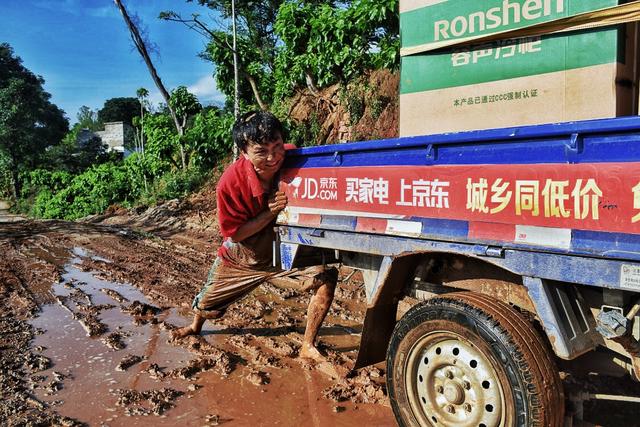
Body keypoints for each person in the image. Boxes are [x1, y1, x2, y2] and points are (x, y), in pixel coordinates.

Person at [173, 111, 337, 362]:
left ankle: (308, 345)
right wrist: (269, 212)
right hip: (244, 254)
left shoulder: (295, 159)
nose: (273, 157)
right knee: (208, 302)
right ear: (244, 152)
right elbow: (235, 233)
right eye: (262, 151)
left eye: (277, 146)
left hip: (285, 248)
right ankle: (195, 326)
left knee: (326, 278)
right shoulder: (229, 184)